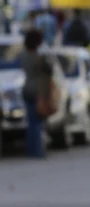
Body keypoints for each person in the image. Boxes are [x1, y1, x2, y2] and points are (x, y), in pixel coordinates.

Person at [21, 29, 53, 159]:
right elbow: (49, 70)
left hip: (27, 89)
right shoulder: (38, 58)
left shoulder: (24, 56)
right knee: (37, 123)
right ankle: (37, 150)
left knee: (31, 121)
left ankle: (32, 149)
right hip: (37, 91)